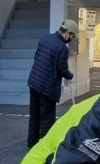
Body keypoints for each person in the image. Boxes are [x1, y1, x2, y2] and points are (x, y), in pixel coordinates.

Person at [27, 20, 77, 148]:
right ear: (68, 33)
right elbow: (62, 69)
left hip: (34, 82)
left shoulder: (45, 38)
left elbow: (38, 58)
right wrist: (70, 76)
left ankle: (32, 143)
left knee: (35, 114)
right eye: (72, 36)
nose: (71, 39)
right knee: (47, 119)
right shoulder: (62, 47)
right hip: (47, 88)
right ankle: (45, 147)